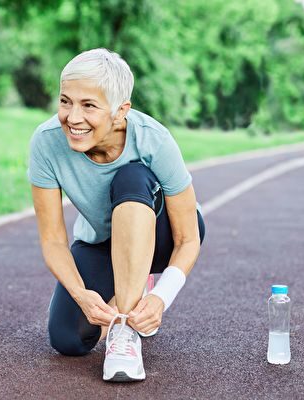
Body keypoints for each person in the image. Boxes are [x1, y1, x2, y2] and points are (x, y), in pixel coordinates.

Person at [27, 48, 205, 382]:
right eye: (65, 101)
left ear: (120, 111)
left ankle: (126, 333)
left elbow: (188, 237)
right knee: (68, 339)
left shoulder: (154, 140)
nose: (72, 117)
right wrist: (83, 296)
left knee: (132, 177)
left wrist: (160, 298)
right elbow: (52, 239)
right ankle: (131, 294)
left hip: (163, 236)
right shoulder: (46, 143)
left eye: (89, 105)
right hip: (101, 242)